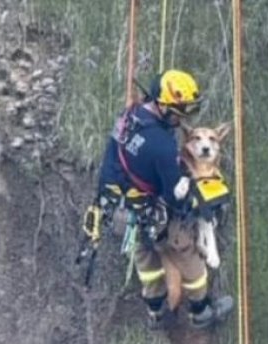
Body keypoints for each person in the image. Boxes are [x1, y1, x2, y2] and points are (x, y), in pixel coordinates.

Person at [95, 69, 233, 328]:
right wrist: (201, 203)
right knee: (186, 253)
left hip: (119, 208)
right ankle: (201, 312)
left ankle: (156, 313)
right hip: (153, 214)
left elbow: (113, 156)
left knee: (146, 261)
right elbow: (174, 196)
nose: (181, 119)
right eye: (179, 112)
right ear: (163, 106)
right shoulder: (162, 146)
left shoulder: (129, 116)